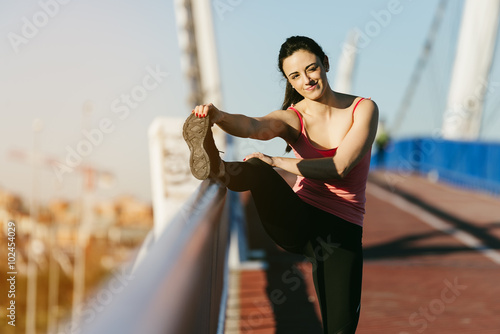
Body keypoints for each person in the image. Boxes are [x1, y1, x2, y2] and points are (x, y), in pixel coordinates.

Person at [182, 35, 378, 334]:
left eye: (311, 69)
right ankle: (220, 170)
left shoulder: (363, 109)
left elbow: (340, 166)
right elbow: (254, 126)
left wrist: (278, 161)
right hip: (298, 219)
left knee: (341, 330)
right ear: (289, 80)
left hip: (342, 229)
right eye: (295, 76)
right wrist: (218, 116)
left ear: (325, 64)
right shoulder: (294, 118)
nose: (306, 80)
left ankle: (226, 169)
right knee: (258, 167)